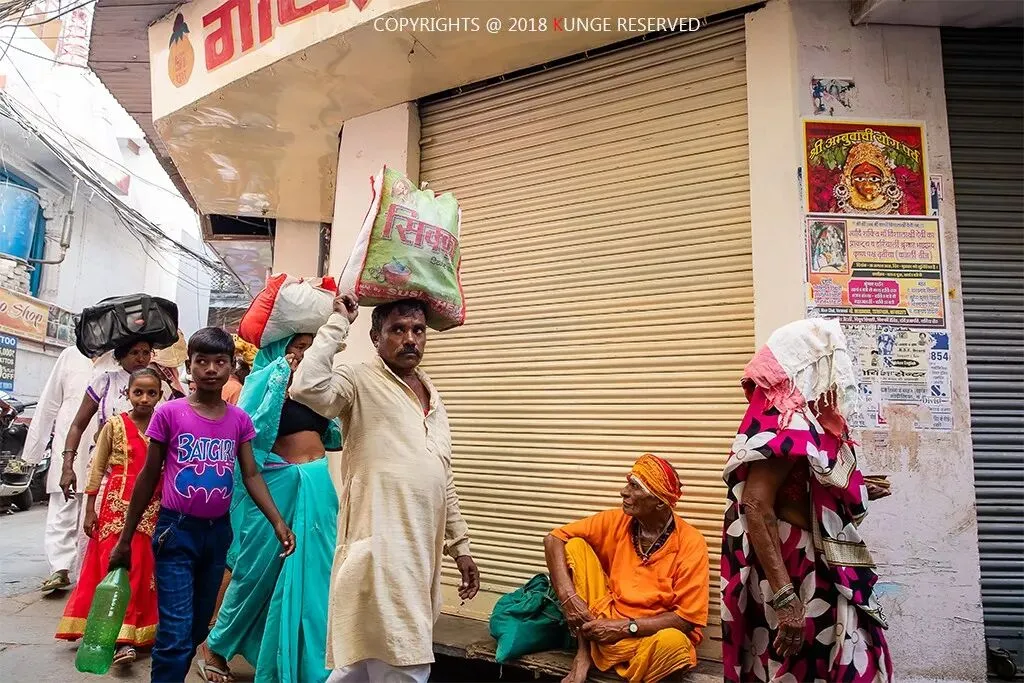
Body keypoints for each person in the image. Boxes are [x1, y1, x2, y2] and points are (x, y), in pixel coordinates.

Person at [289, 295, 479, 683]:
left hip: (419, 555)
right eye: (398, 330)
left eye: (418, 330)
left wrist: (460, 547)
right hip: (379, 550)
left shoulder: (433, 397)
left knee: (360, 663)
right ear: (376, 337)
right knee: (403, 659)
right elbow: (307, 388)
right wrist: (338, 323)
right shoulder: (358, 380)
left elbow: (442, 477)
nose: (410, 339)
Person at [108, 327, 296, 683]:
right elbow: (148, 476)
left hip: (217, 535)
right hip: (176, 532)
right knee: (176, 634)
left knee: (196, 629)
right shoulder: (170, 413)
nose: (211, 369)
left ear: (231, 365)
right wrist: (125, 538)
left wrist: (277, 521)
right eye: (202, 361)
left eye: (220, 362)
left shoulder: (238, 420)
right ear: (189, 366)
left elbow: (251, 474)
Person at [720, 319, 894, 683]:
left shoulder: (804, 417)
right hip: (797, 569)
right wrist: (786, 599)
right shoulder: (786, 420)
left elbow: (801, 480)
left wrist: (855, 488)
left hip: (811, 561)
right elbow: (756, 504)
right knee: (808, 665)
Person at [200, 333, 342, 683]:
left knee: (318, 573)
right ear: (280, 347)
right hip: (275, 484)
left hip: (317, 484)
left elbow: (336, 435)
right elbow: (253, 429)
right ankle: (215, 646)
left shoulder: (317, 387)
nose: (304, 353)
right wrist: (280, 375)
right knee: (255, 571)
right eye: (298, 345)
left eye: (310, 346)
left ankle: (310, 663)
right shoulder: (263, 380)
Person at [544, 454, 710, 683]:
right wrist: (568, 599)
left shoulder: (691, 542)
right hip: (604, 627)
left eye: (634, 487)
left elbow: (686, 619)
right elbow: (553, 538)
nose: (623, 492)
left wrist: (623, 628)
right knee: (574, 546)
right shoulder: (617, 520)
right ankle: (584, 653)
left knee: (675, 645)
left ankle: (633, 668)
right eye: (628, 483)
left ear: (659, 502)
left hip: (646, 637)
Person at [55, 368, 165, 666]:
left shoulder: (163, 427)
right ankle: (114, 636)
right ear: (127, 393)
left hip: (151, 510)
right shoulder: (114, 426)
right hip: (115, 508)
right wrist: (90, 508)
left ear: (160, 396)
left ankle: (129, 636)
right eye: (138, 392)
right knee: (112, 568)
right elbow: (98, 467)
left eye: (151, 393)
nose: (144, 399)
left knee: (141, 571)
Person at [21, 345, 98, 593]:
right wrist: (32, 452)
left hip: (101, 444)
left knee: (95, 510)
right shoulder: (70, 355)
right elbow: (48, 404)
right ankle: (60, 568)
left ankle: (88, 572)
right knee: (63, 505)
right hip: (68, 443)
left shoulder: (120, 355)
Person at [59, 338, 165, 500]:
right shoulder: (105, 381)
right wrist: (67, 467)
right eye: (134, 353)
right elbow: (77, 426)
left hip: (147, 471)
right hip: (105, 469)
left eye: (146, 353)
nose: (141, 358)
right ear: (121, 355)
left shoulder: (161, 387)